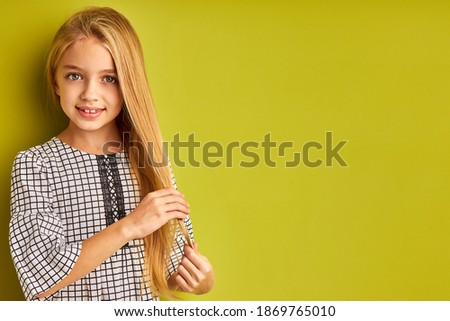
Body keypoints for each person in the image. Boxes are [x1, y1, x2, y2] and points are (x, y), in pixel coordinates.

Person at [9, 6, 215, 301]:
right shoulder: (35, 164)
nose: (90, 93)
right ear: (56, 80)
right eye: (74, 76)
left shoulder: (151, 160)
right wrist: (129, 226)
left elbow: (172, 270)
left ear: (128, 85)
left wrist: (202, 280)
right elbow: (39, 277)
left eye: (109, 79)